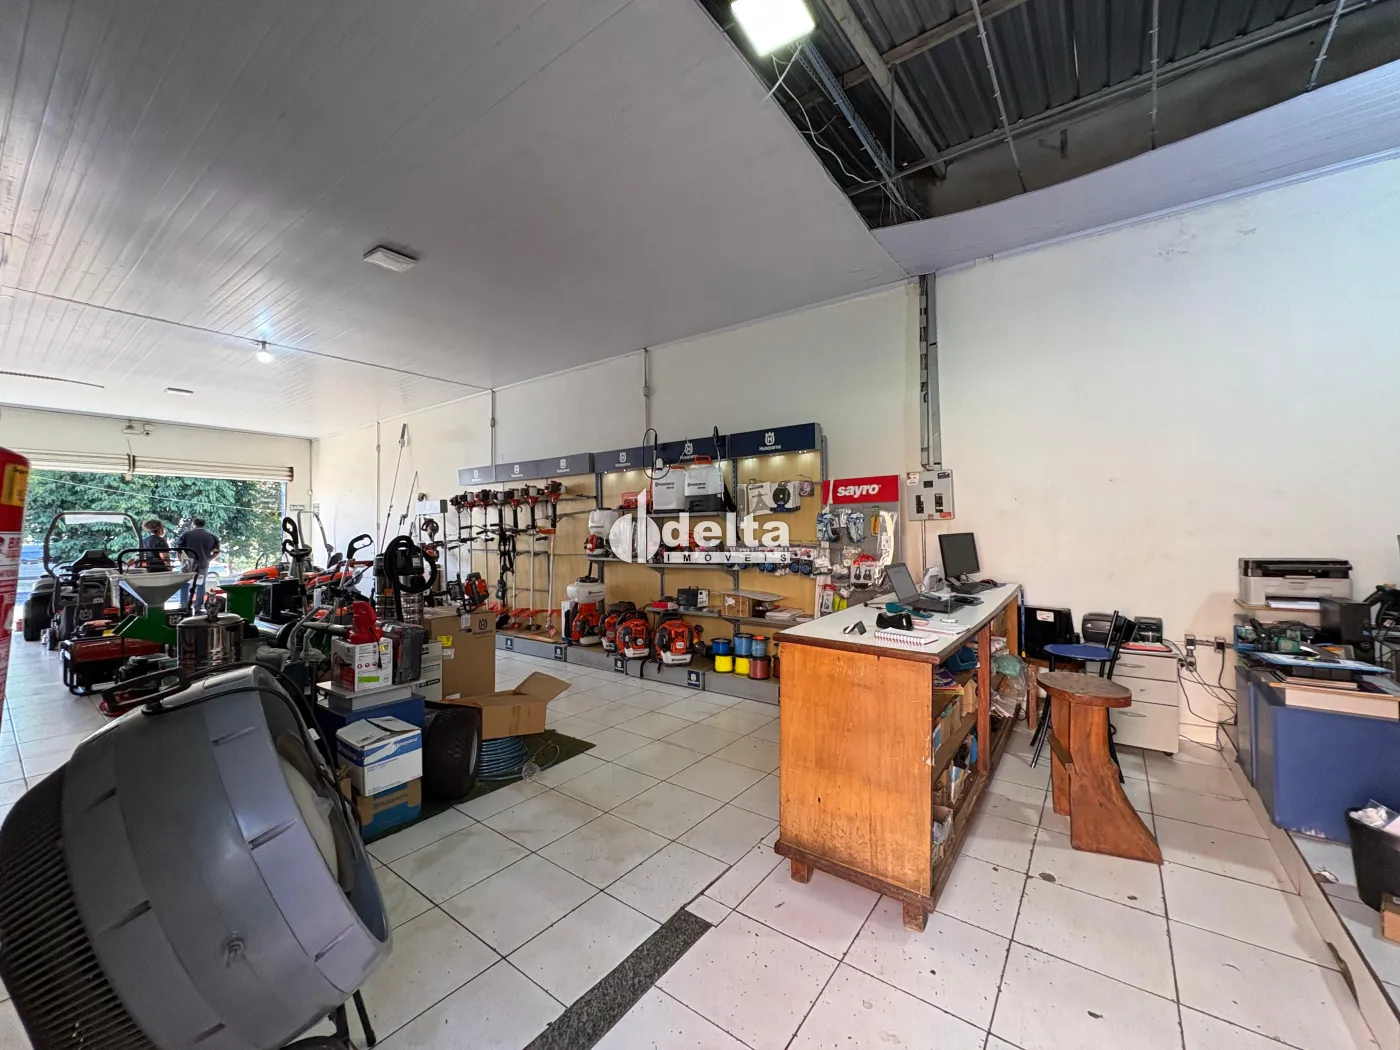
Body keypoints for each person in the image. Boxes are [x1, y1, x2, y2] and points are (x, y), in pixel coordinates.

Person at [177, 516, 221, 611]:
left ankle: (184, 606)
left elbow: (179, 550)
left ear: (194, 524)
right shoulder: (212, 536)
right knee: (201, 585)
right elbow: (216, 552)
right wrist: (209, 559)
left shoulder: (186, 534)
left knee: (185, 584)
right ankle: (198, 607)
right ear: (204, 524)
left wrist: (182, 561)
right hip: (203, 563)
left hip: (188, 563)